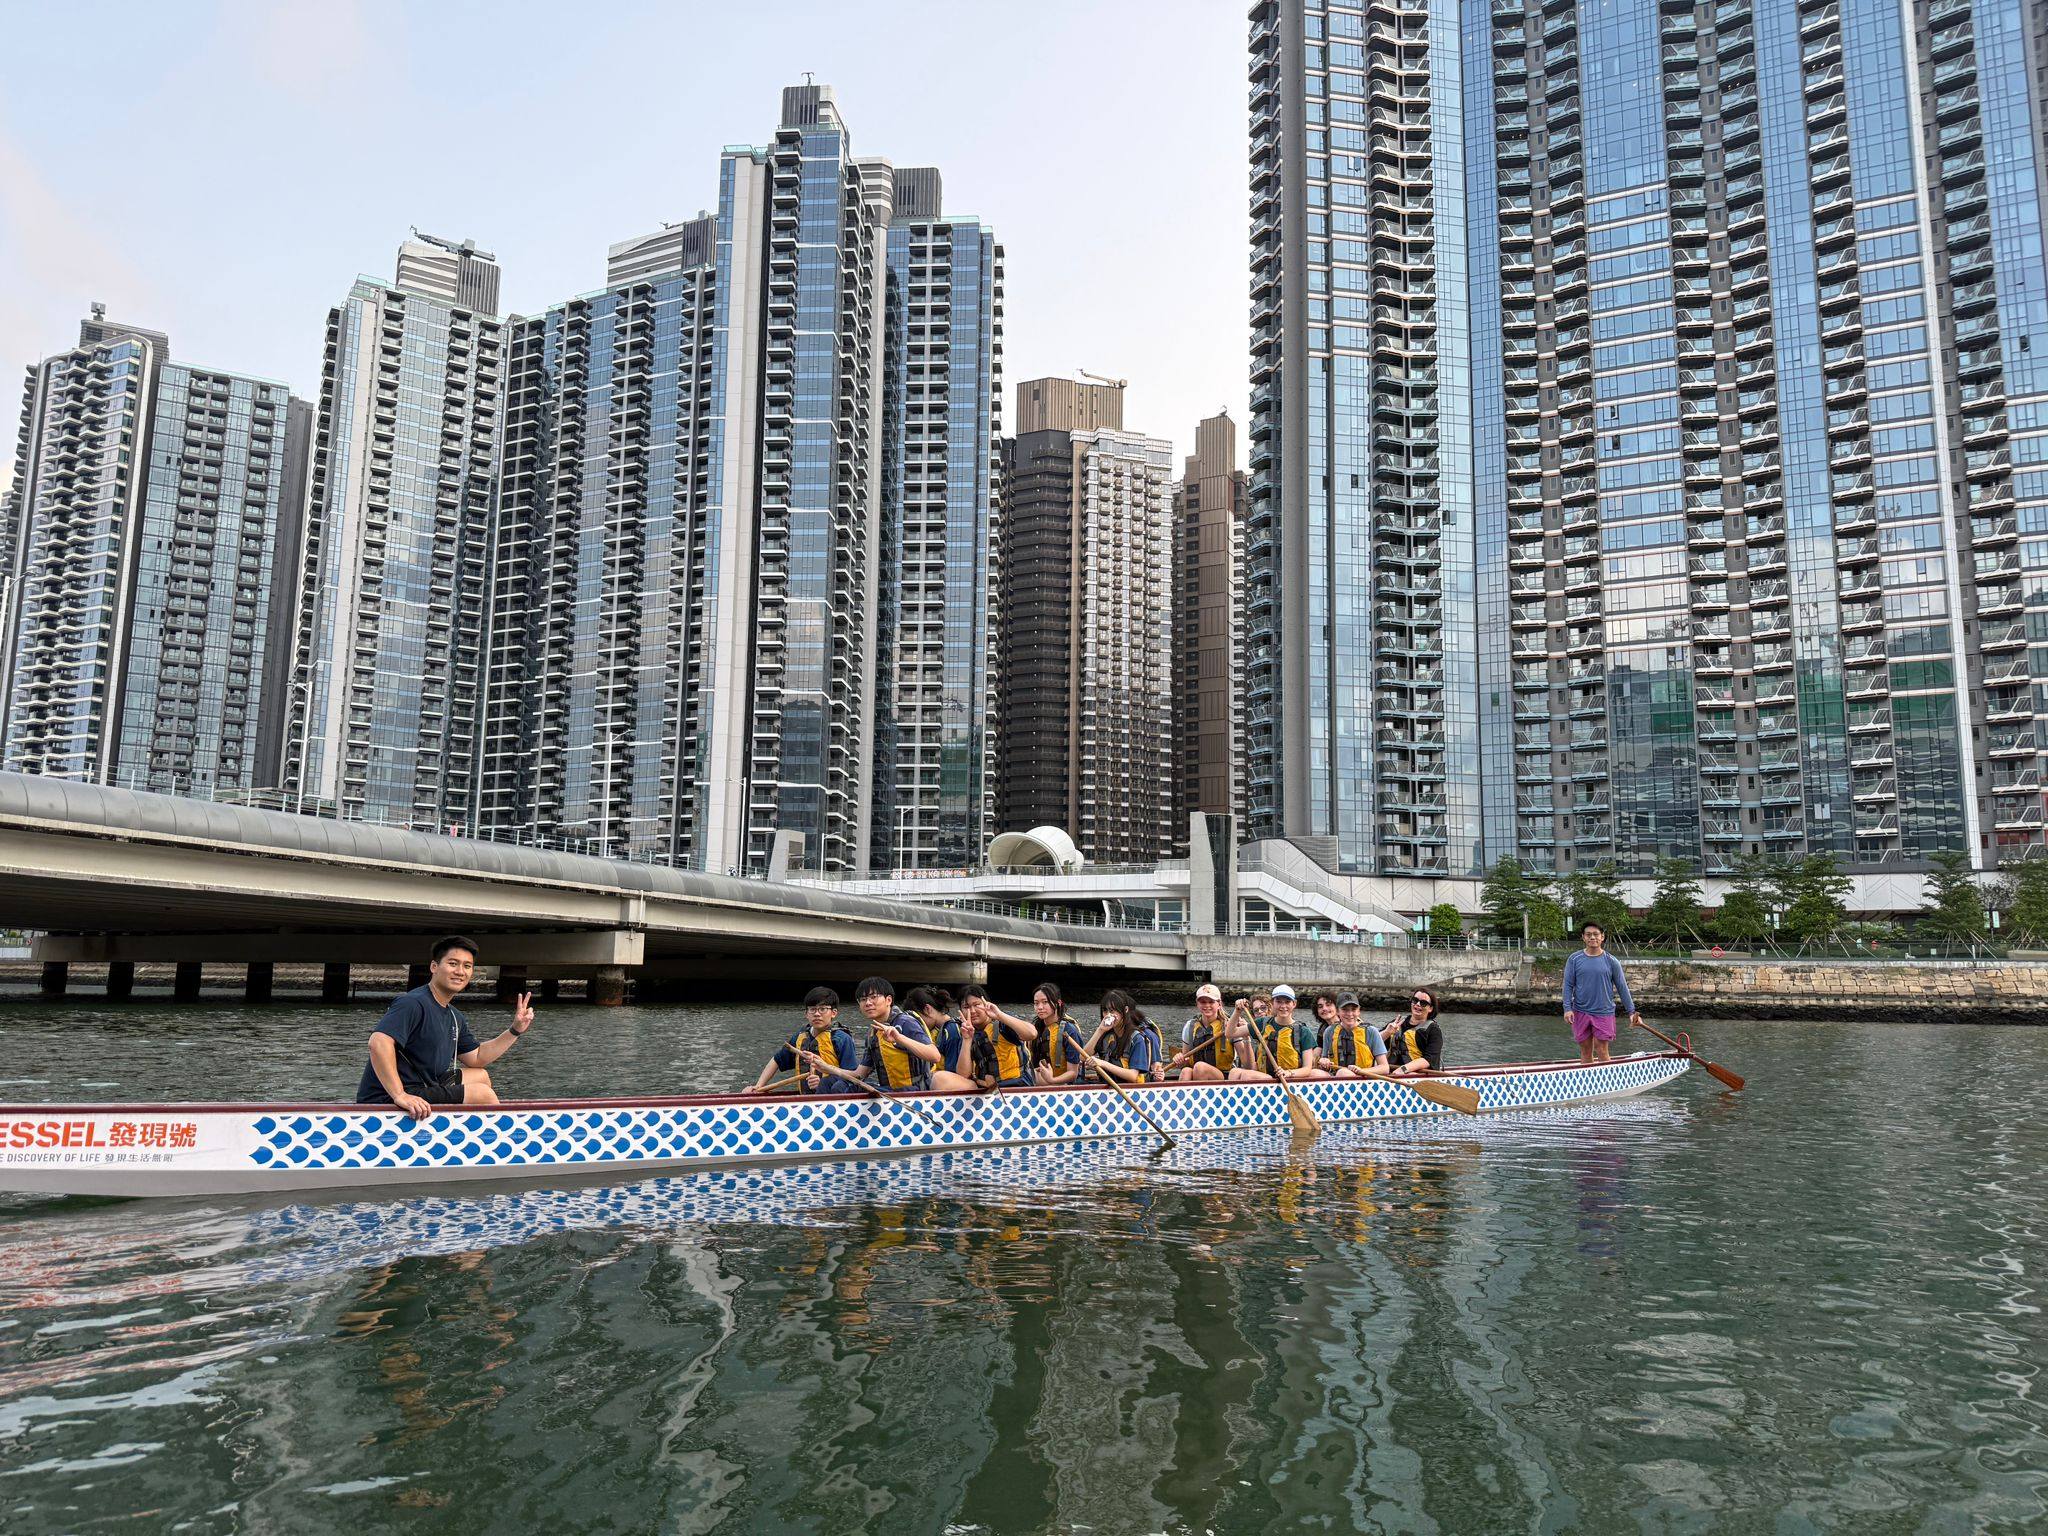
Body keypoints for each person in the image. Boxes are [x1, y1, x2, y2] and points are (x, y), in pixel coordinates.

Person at [357, 936, 534, 1118]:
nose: (460, 971)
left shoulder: (454, 1016)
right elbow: (378, 1043)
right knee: (482, 1094)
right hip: (389, 1096)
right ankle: (501, 1132)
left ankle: (464, 1129)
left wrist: (515, 1030)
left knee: (480, 1075)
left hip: (424, 1085)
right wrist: (399, 1095)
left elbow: (477, 1057)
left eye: (467, 966)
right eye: (453, 964)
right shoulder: (412, 1003)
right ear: (434, 967)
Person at [857, 976, 977, 1093]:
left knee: (939, 1078)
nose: (868, 1003)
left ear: (888, 1000)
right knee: (854, 1087)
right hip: (894, 1090)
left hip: (920, 1089)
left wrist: (899, 1038)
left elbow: (935, 1057)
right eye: (863, 999)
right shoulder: (873, 1033)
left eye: (873, 997)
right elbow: (860, 1073)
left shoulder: (906, 1023)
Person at [746, 986, 860, 1093]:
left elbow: (853, 1076)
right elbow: (777, 1060)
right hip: (806, 1098)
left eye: (823, 1009)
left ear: (833, 1013)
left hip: (832, 1094)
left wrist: (823, 1083)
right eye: (812, 1009)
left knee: (829, 1083)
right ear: (806, 1014)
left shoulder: (841, 1039)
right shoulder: (800, 1037)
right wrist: (759, 1086)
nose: (817, 1014)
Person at [1563, 921, 1642, 1064]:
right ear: (1583, 937)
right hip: (1580, 1011)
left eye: (1596, 934)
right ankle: (1587, 1077)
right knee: (1585, 1050)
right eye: (1588, 935)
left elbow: (1622, 987)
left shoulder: (1611, 961)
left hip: (1604, 1012)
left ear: (1602, 937)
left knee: (1602, 1049)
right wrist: (1567, 1009)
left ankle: (1609, 1077)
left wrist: (1631, 1012)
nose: (1592, 937)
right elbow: (1568, 985)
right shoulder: (1574, 959)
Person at [959, 984, 1039, 1089]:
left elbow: (1032, 1034)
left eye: (977, 1005)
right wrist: (967, 1040)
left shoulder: (1003, 1024)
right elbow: (963, 1075)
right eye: (966, 1007)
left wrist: (999, 1015)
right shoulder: (965, 1032)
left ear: (986, 1003)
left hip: (1017, 1086)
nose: (972, 1011)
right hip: (988, 1090)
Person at [1239, 983, 1321, 1080]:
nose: (1283, 1006)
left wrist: (1288, 1073)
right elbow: (1230, 1033)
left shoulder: (1303, 1031)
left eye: (1287, 1002)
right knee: (1235, 1072)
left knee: (1247, 1075)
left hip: (1289, 1079)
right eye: (1279, 1002)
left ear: (1294, 1004)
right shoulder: (1262, 1024)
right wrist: (1237, 1011)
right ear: (1273, 1003)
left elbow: (1307, 1069)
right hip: (1266, 1076)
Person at [1082, 988, 1164, 1084]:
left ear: (1125, 1010)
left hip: (1130, 1089)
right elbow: (1082, 1057)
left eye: (1112, 1011)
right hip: (1106, 1086)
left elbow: (1133, 1076)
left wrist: (1103, 1064)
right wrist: (1100, 1030)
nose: (1108, 1015)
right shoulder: (1105, 1034)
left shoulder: (1137, 1038)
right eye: (1105, 1011)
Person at [1169, 983, 1247, 1082]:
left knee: (1200, 1067)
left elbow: (1246, 1062)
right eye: (1203, 1002)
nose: (1207, 1005)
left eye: (1211, 1002)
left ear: (1219, 1004)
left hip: (1224, 1076)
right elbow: (1186, 1062)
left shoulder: (1229, 1026)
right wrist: (1180, 1061)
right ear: (1197, 1004)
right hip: (1197, 1072)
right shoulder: (1190, 1026)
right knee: (1186, 1071)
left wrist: (1246, 1036)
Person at [1027, 982, 1088, 1086]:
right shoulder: (1034, 1029)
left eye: (1045, 1002)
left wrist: (1052, 1080)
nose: (1040, 1007)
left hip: (1063, 1083)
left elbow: (1073, 1073)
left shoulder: (1069, 1031)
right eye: (1036, 1003)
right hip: (1042, 1077)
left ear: (1058, 1003)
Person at [904, 986, 970, 1078]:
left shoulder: (951, 1031)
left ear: (927, 1009)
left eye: (917, 1019)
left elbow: (953, 1071)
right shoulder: (938, 1030)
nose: (916, 1025)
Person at [1322, 993, 1389, 1078]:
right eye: (1345, 1010)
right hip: (1335, 1077)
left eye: (1353, 1010)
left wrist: (1361, 1071)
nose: (1350, 1014)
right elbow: (1324, 1059)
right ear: (1338, 1011)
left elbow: (1385, 1068)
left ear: (1358, 1011)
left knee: (1343, 1073)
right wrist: (1324, 1061)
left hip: (1362, 1078)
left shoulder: (1371, 1031)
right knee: (1314, 1073)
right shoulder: (1329, 1031)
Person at [1382, 988, 1445, 1077]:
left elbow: (1429, 1059)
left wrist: (1403, 1069)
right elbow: (1373, 1042)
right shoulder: (1396, 1023)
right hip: (1390, 1073)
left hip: (1417, 1075)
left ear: (1430, 1008)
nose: (1418, 1004)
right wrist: (1386, 1033)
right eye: (1415, 1000)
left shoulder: (1433, 1030)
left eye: (1423, 1003)